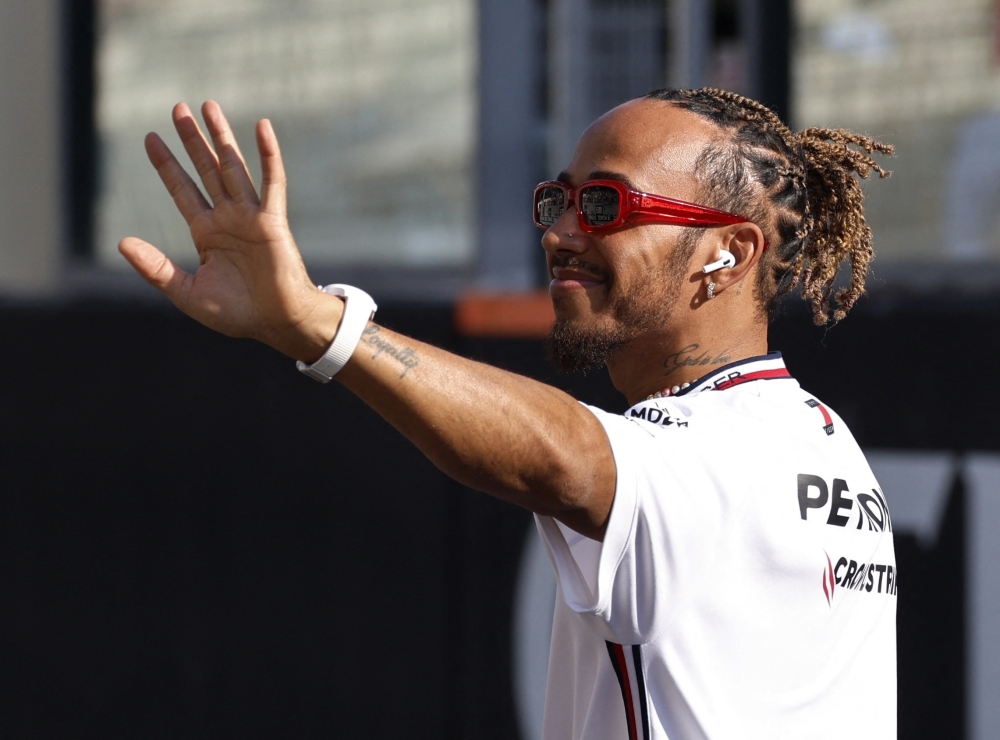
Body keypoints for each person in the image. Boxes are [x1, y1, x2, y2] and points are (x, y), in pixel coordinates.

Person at [119, 88, 896, 739]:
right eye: (558, 199)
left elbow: (568, 457)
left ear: (729, 253)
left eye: (606, 203)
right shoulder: (817, 443)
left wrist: (321, 325)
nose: (561, 232)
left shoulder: (729, 447)